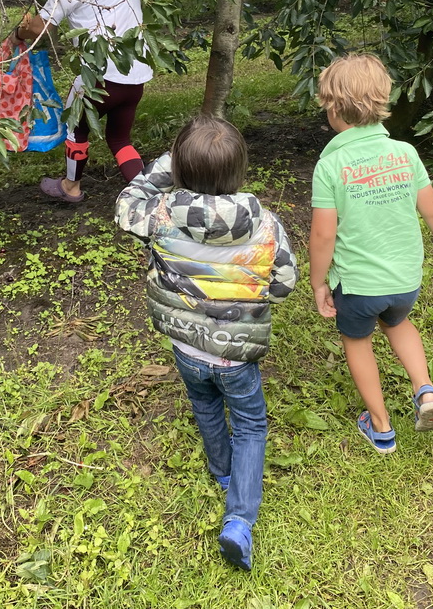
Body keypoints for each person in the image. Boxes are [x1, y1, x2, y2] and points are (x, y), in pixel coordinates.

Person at [115, 116, 298, 571]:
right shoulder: (266, 226)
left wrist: (162, 167)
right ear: (240, 171)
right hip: (235, 355)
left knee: (205, 406)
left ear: (177, 170)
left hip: (186, 347)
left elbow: (125, 205)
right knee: (251, 425)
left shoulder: (158, 216)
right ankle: (239, 519)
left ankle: (221, 470)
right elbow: (284, 284)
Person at [309, 53, 433, 455]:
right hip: (404, 281)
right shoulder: (404, 153)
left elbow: (324, 234)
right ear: (382, 99)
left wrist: (317, 282)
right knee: (398, 324)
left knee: (357, 341)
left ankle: (380, 427)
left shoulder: (331, 165)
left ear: (332, 107)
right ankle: (426, 391)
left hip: (359, 286)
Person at [15, 0, 152, 203]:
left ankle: (70, 186)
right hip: (135, 71)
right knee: (120, 138)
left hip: (99, 75)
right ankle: (149, 195)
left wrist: (18, 35)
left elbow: (40, 28)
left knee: (75, 128)